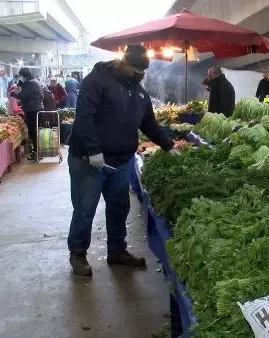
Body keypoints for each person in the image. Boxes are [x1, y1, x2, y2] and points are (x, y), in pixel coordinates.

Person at [66, 44, 180, 277]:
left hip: (120, 161)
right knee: (85, 208)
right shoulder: (97, 81)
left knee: (119, 207)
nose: (140, 74)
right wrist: (93, 150)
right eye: (136, 69)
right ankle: (78, 253)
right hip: (89, 160)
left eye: (142, 71)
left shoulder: (140, 94)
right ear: (123, 62)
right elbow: (85, 117)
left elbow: (149, 124)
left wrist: (168, 145)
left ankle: (117, 250)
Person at [11, 67, 44, 160]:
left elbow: (22, 95)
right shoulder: (34, 81)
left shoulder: (30, 83)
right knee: (35, 131)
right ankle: (37, 152)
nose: (20, 78)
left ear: (23, 75)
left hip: (32, 110)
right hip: (37, 108)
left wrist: (13, 94)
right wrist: (22, 85)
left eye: (20, 76)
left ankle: (37, 153)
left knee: (33, 131)